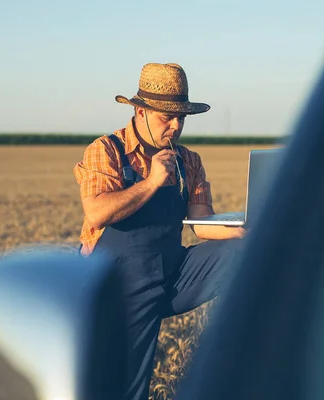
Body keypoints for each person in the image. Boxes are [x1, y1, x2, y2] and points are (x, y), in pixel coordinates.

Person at [73, 62, 246, 400]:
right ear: (139, 111)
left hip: (171, 272)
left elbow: (201, 223)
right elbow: (96, 212)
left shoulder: (189, 160)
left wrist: (247, 232)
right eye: (167, 117)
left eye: (181, 117)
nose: (176, 126)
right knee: (125, 387)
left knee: (245, 254)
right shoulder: (106, 150)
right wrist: (152, 181)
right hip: (117, 283)